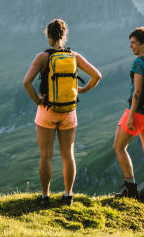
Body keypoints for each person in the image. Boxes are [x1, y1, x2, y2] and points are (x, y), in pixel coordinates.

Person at [23, 18, 101, 206]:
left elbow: (26, 82)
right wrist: (82, 90)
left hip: (47, 111)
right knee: (68, 155)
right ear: (64, 36)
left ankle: (45, 196)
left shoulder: (43, 57)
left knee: (46, 156)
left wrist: (38, 101)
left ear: (49, 36)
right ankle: (68, 195)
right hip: (69, 111)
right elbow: (97, 75)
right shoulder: (74, 56)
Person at [113, 26, 144, 203]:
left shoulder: (139, 63)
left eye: (133, 43)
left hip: (139, 112)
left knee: (119, 147)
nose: (131, 46)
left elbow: (137, 93)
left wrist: (131, 115)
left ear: (142, 44)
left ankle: (131, 188)